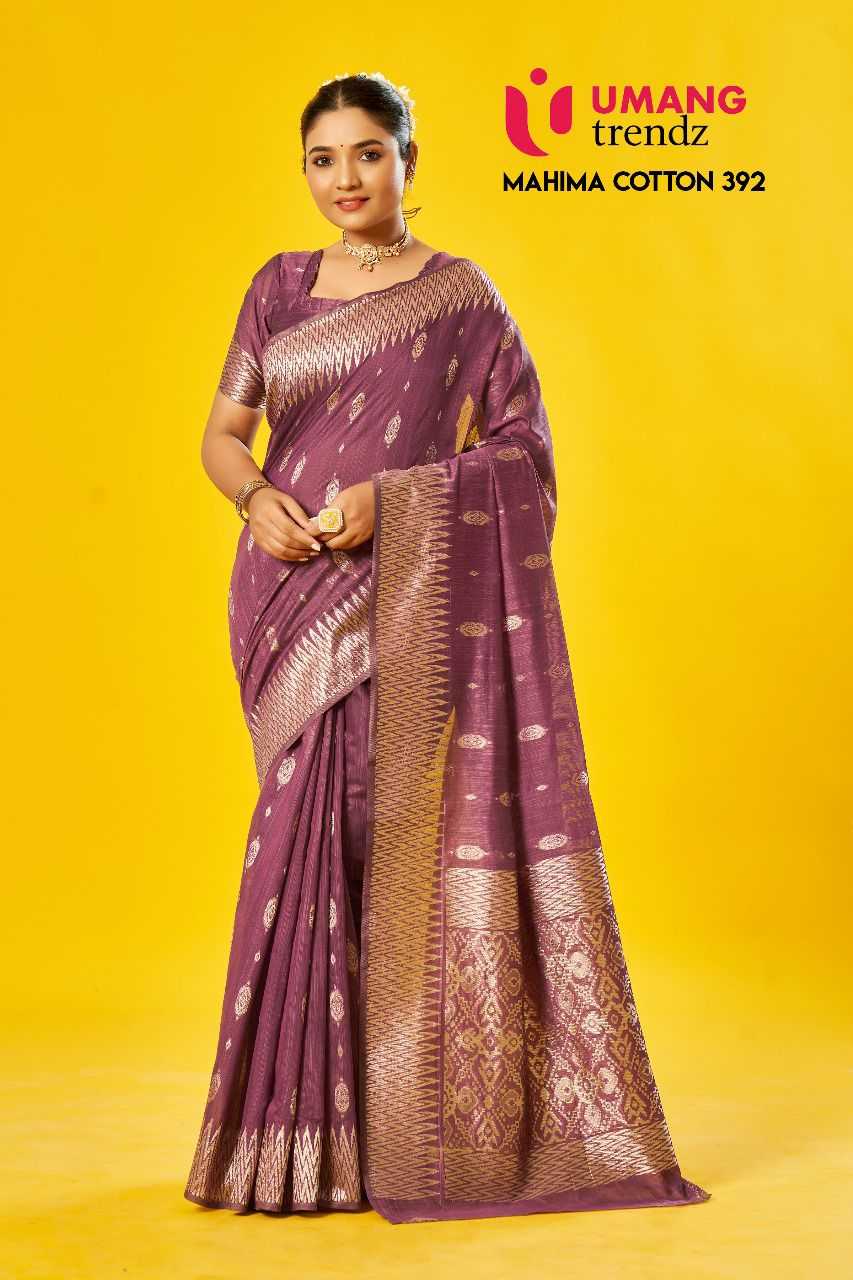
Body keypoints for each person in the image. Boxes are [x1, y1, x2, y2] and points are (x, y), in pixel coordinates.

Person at [183, 70, 711, 1226]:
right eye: (323, 158)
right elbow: (224, 433)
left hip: (407, 591)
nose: (345, 178)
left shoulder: (461, 298)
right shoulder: (275, 288)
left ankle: (394, 1129)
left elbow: (524, 454)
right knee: (297, 850)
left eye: (368, 152)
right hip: (285, 597)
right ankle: (291, 1142)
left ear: (408, 160)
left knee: (393, 848)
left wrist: (394, 500)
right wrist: (255, 497)